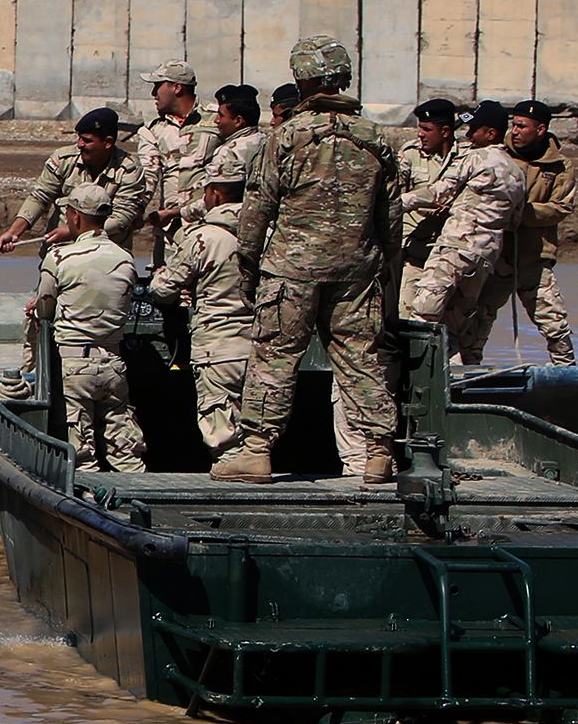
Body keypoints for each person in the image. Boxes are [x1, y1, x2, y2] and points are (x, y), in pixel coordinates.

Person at [209, 36, 400, 484]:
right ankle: (378, 451)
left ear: (304, 80)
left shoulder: (286, 138)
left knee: (275, 356)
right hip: (356, 270)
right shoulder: (376, 139)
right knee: (360, 357)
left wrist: (249, 266)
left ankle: (257, 451)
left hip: (291, 270)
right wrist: (380, 263)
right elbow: (392, 219)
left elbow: (257, 208)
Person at [30, 183, 146, 472]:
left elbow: (45, 309)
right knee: (124, 446)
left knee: (81, 454)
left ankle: (88, 506)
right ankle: (136, 497)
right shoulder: (125, 259)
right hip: (114, 363)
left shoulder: (59, 258)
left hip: (75, 364)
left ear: (75, 217)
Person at [148, 156, 257, 455]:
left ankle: (235, 488)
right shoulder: (269, 233)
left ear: (216, 194)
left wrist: (162, 279)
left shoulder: (204, 238)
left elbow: (162, 290)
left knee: (222, 436)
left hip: (218, 346)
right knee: (256, 435)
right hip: (262, 348)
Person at [401, 103, 528, 353]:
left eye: (473, 130)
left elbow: (439, 191)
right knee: (454, 327)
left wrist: (399, 203)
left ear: (490, 134)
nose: (468, 135)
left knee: (422, 315)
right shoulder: (517, 173)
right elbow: (514, 221)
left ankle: (413, 380)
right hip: (484, 258)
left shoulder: (475, 157)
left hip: (455, 248)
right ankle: (454, 383)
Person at [461, 99, 578, 366]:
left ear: (540, 130)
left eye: (522, 126)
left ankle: (567, 375)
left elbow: (561, 207)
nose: (515, 131)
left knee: (555, 325)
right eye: (514, 125)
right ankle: (467, 375)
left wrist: (520, 213)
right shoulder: (496, 152)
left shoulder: (560, 166)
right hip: (494, 256)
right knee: (476, 322)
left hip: (533, 258)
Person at [0, 108, 147, 254]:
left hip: (107, 258)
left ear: (107, 142)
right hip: (61, 253)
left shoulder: (129, 170)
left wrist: (71, 232)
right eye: (79, 138)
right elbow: (40, 197)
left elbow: (122, 217)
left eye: (87, 140)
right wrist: (14, 232)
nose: (80, 144)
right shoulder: (63, 159)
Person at [133, 61, 218, 256]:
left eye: (157, 86)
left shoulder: (216, 119)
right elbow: (148, 176)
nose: (153, 94)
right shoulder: (152, 130)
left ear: (177, 87)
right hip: (172, 232)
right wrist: (134, 211)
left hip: (211, 224)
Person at [394, 98, 462, 310]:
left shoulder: (465, 158)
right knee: (406, 314)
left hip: (449, 255)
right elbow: (394, 196)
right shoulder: (411, 154)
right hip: (413, 253)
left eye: (426, 129)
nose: (420, 134)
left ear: (445, 132)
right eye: (420, 128)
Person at [206, 84, 265, 189]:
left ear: (238, 121)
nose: (216, 120)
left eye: (221, 115)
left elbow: (217, 194)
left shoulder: (228, 153)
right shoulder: (268, 142)